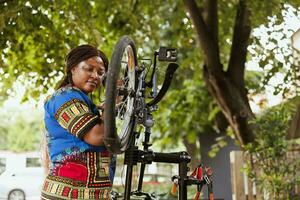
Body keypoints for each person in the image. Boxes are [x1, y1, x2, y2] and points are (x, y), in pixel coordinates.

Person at [41, 44, 115, 200]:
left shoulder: (84, 102)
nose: (96, 76)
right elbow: (97, 136)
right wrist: (112, 103)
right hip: (68, 194)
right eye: (89, 69)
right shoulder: (64, 98)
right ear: (73, 68)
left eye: (100, 73)